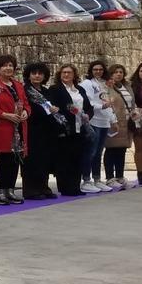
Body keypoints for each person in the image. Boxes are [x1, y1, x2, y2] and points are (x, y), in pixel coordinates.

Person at [46, 64, 93, 196]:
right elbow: (53, 108)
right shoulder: (55, 89)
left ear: (74, 75)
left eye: (69, 72)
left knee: (77, 158)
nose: (66, 75)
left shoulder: (80, 89)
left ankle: (76, 186)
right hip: (64, 129)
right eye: (64, 73)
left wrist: (87, 115)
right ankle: (66, 188)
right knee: (64, 159)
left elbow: (89, 107)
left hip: (80, 128)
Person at [0, 54, 30, 205]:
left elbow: (26, 103)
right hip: (3, 127)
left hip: (19, 127)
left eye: (10, 65)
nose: (8, 68)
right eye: (4, 65)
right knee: (4, 160)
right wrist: (5, 115)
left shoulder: (18, 85)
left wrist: (25, 112)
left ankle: (10, 191)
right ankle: (1, 191)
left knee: (15, 160)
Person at [21, 62, 60, 200]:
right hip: (32, 129)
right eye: (34, 73)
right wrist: (47, 111)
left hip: (46, 130)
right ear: (29, 75)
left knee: (44, 160)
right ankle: (31, 190)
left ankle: (43, 187)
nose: (37, 76)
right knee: (31, 160)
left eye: (40, 73)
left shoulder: (46, 91)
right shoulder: (25, 90)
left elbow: (52, 106)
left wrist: (55, 109)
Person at [80, 60, 116, 193]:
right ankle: (86, 180)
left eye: (100, 69)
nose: (98, 72)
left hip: (104, 121)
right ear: (91, 71)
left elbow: (109, 102)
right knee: (91, 152)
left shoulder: (105, 84)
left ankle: (97, 179)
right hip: (93, 121)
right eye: (95, 69)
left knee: (98, 153)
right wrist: (101, 106)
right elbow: (87, 102)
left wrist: (113, 120)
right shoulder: (87, 83)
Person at [103, 64, 136, 190]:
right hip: (114, 122)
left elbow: (131, 103)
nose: (118, 74)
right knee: (111, 149)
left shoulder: (127, 86)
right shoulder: (107, 87)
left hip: (127, 122)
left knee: (122, 150)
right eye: (115, 72)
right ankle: (110, 178)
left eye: (121, 72)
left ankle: (120, 176)